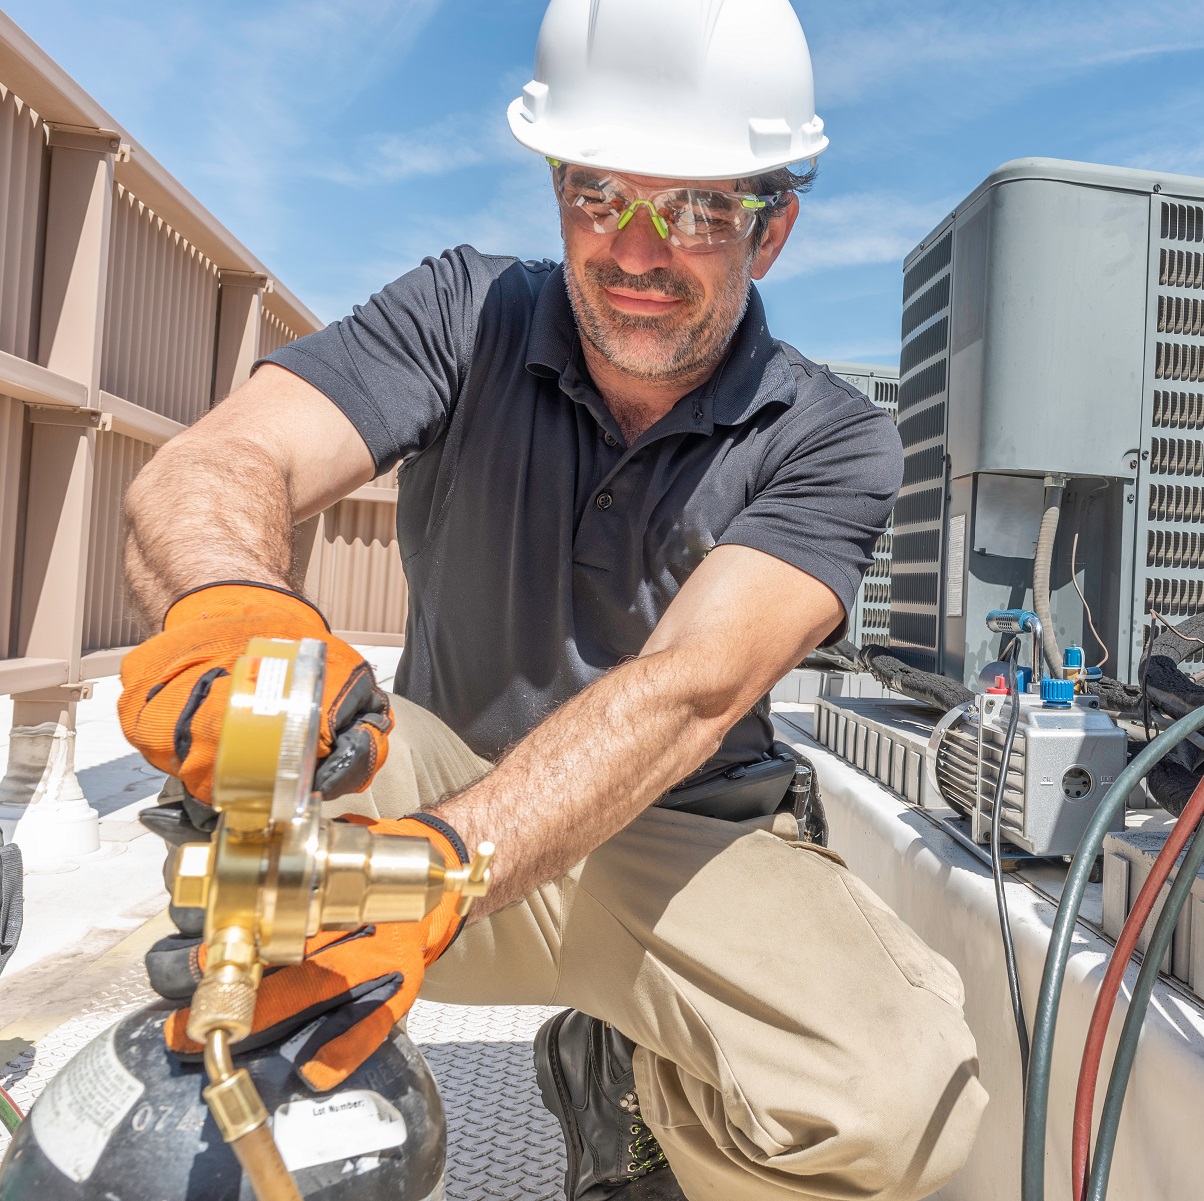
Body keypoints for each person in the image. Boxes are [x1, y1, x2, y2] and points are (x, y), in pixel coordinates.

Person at [114, 1, 988, 1198]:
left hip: (679, 841)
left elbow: (692, 687)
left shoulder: (831, 439)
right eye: (599, 195)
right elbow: (212, 466)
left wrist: (446, 867)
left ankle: (636, 1085)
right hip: (444, 783)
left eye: (696, 207)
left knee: (900, 1114)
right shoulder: (463, 314)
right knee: (258, 733)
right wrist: (231, 607)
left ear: (771, 229)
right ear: (557, 189)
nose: (636, 250)